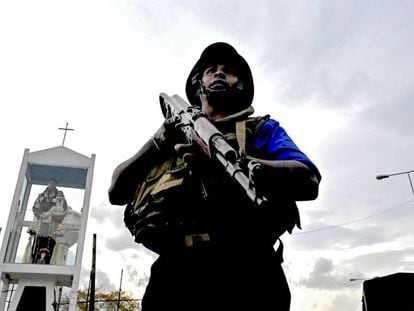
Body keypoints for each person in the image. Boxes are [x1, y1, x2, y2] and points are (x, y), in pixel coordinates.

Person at [109, 42, 321, 311]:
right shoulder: (172, 136)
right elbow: (116, 192)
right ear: (199, 83)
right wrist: (157, 142)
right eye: (211, 70)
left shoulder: (260, 130)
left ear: (241, 85)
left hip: (249, 271)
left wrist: (242, 167)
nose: (220, 73)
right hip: (175, 274)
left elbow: (308, 181)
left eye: (229, 71)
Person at [31, 178, 68, 264]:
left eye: (53, 183)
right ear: (48, 184)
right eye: (50, 183)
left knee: (50, 245)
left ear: (56, 185)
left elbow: (65, 210)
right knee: (39, 244)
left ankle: (48, 262)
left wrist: (55, 216)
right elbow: (35, 208)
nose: (51, 185)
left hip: (53, 226)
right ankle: (36, 262)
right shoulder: (41, 195)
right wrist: (40, 215)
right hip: (42, 225)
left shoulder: (60, 197)